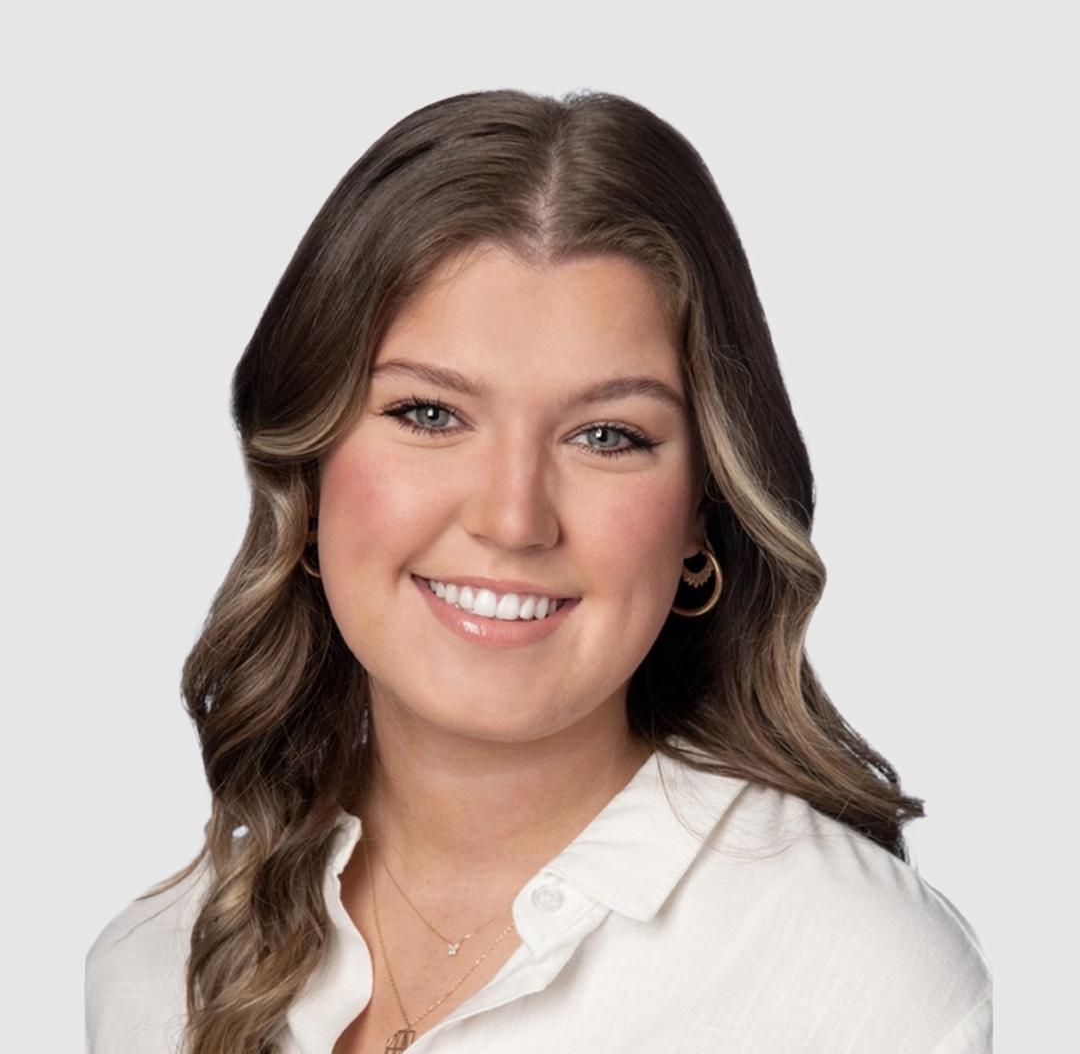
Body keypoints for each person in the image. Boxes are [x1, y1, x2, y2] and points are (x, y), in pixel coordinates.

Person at [85, 90, 991, 1054]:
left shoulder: (860, 985)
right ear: (307, 475)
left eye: (607, 435)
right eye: (429, 414)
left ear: (701, 515)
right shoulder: (153, 968)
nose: (512, 519)